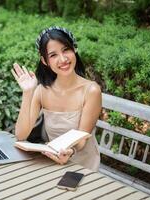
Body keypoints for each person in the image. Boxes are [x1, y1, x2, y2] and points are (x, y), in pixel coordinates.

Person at [11, 26, 102, 171]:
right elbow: (21, 135)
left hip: (83, 165)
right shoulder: (41, 91)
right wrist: (28, 92)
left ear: (74, 49)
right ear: (45, 61)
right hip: (53, 162)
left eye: (66, 49)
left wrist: (68, 152)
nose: (63, 59)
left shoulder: (91, 90)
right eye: (53, 55)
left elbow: (81, 141)